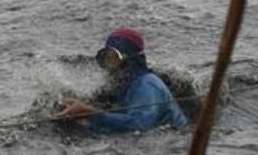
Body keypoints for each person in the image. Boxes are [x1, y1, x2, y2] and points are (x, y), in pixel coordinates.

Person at [58, 28, 189, 134]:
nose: (109, 67)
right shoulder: (122, 84)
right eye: (105, 59)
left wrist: (92, 114)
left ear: (130, 60)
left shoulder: (148, 86)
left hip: (172, 140)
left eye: (113, 59)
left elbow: (139, 125)